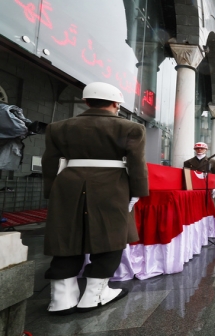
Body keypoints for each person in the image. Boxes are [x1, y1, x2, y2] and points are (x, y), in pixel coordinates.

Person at [42, 82, 149, 314]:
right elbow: (137, 164)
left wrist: (51, 191)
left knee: (65, 236)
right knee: (110, 235)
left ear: (86, 101)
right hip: (112, 185)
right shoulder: (131, 128)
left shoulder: (57, 127)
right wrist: (138, 192)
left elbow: (49, 162)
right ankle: (94, 294)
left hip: (67, 183)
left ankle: (61, 298)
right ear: (115, 104)